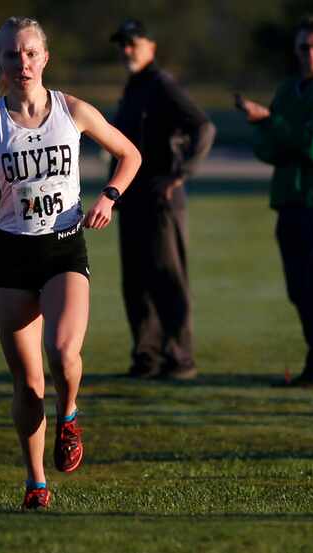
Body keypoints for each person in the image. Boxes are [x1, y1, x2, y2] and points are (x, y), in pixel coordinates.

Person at [0, 16, 141, 510]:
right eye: (12, 55)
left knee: (63, 354)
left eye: (31, 53)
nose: (23, 63)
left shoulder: (73, 110)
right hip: (12, 253)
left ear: (45, 58)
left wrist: (109, 196)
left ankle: (72, 413)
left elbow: (130, 155)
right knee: (28, 382)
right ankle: (36, 482)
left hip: (64, 245)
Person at [235, 16, 313, 388]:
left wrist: (271, 121)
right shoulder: (289, 89)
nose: (311, 54)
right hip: (288, 199)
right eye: (304, 46)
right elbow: (266, 149)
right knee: (299, 289)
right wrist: (273, 129)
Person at [109, 19, 216, 380]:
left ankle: (180, 359)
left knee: (167, 280)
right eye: (122, 44)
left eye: (133, 43)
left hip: (160, 199)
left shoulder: (161, 85)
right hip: (132, 198)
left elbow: (203, 126)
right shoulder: (135, 87)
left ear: (151, 46)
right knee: (135, 283)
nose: (126, 50)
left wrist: (181, 174)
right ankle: (147, 357)